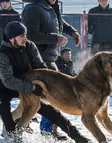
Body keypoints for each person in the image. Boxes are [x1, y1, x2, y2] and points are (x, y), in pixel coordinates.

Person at [0, 21, 91, 143]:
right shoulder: (3, 53)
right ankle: (10, 132)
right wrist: (31, 88)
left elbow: (40, 67)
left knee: (48, 109)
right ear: (12, 38)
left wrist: (48, 86)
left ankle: (77, 135)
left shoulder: (29, 45)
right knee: (7, 117)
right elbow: (8, 80)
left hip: (27, 81)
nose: (25, 38)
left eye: (25, 35)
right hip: (5, 86)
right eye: (21, 36)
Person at [21, 0, 81, 139]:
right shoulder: (33, 9)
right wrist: (55, 38)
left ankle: (44, 128)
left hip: (49, 58)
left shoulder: (50, 8)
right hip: (37, 59)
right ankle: (33, 127)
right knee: (51, 96)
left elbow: (58, 23)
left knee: (49, 97)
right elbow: (30, 35)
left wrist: (72, 31)